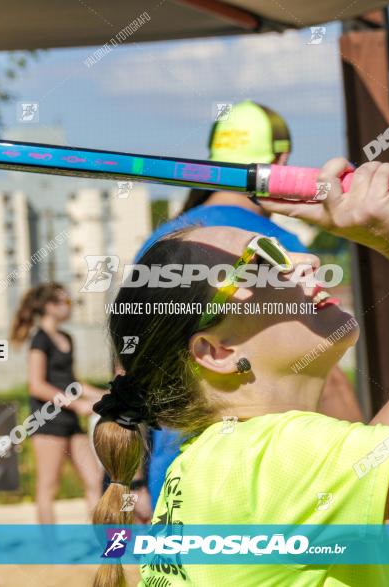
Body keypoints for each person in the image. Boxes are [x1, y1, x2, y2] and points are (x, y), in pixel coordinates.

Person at [91, 161, 389, 586]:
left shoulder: (221, 461)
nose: (303, 263)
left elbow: (370, 458)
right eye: (265, 257)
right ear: (217, 351)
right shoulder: (270, 461)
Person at [136, 99, 362, 506]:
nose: (306, 267)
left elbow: (130, 366)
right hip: (268, 475)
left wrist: (131, 480)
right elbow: (322, 369)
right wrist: (368, 465)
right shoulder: (278, 245)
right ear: (283, 159)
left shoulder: (162, 243)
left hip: (176, 474)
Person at [10, 282, 106, 522]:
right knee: (48, 486)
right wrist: (77, 404)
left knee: (94, 479)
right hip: (48, 422)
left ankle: (101, 541)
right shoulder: (39, 340)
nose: (71, 306)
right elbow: (37, 385)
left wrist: (103, 394)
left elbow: (74, 383)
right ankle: (52, 553)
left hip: (70, 422)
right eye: (67, 302)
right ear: (50, 307)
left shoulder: (66, 337)